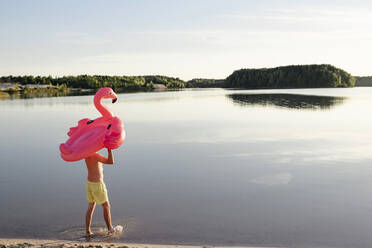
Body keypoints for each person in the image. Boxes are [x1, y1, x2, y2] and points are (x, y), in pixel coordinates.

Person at [84, 148, 115, 237]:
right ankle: (110, 229)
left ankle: (88, 231)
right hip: (97, 184)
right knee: (106, 206)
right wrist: (109, 150)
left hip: (89, 183)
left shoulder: (86, 155)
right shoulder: (95, 155)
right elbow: (110, 162)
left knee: (91, 206)